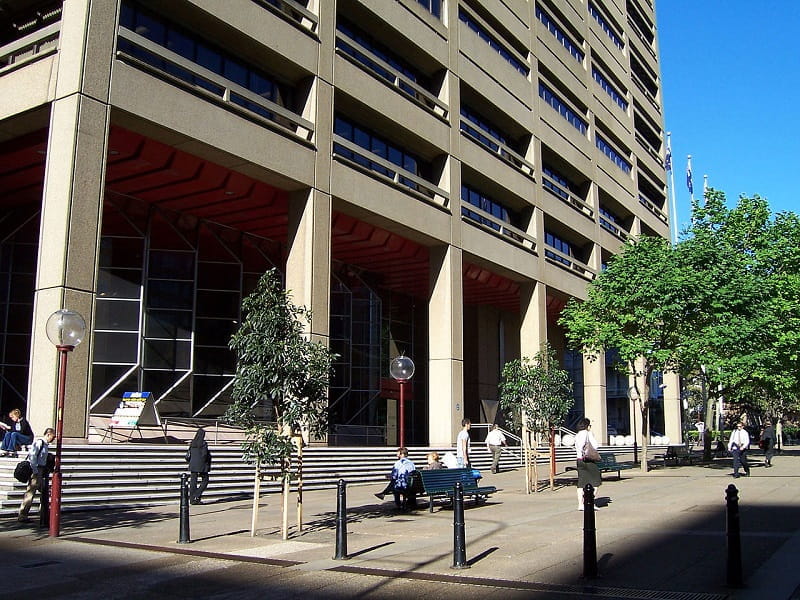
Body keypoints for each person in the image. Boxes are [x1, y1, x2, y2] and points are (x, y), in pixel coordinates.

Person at [18, 427, 56, 523]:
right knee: (31, 492)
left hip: (42, 469)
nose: (53, 439)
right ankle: (23, 514)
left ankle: (43, 513)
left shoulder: (45, 445)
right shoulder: (40, 443)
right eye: (53, 436)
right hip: (37, 470)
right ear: (48, 434)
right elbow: (33, 455)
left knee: (44, 491)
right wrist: (34, 470)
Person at [574, 417, 601, 511]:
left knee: (581, 483)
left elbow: (578, 447)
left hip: (579, 460)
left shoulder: (577, 435)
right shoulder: (587, 433)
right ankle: (589, 501)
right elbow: (595, 446)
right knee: (596, 480)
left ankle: (580, 504)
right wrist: (591, 435)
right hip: (588, 460)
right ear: (587, 426)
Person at [186, 429, 212, 504]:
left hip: (193, 465)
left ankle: (192, 499)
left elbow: (188, 455)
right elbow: (204, 455)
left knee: (193, 482)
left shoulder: (192, 443)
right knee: (205, 480)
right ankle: (197, 495)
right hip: (202, 466)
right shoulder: (203, 443)